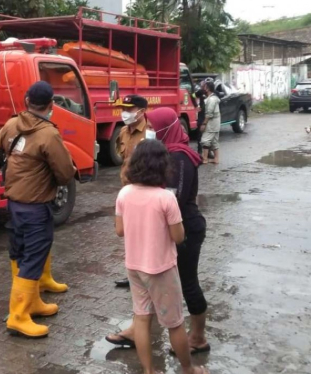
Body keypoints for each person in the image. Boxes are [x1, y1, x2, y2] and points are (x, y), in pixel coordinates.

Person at [106, 108, 210, 355]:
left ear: (168, 126)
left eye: (153, 125)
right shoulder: (163, 155)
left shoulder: (181, 157)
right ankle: (137, 329)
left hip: (184, 231)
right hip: (160, 231)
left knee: (187, 283)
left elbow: (175, 197)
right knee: (149, 281)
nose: (150, 130)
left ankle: (197, 336)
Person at [0, 81, 75, 338]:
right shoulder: (48, 134)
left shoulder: (12, 123)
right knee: (34, 255)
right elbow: (63, 174)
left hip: (14, 202)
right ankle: (18, 316)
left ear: (27, 100)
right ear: (51, 105)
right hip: (36, 206)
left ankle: (33, 302)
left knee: (19, 251)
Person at [113, 94, 152, 288]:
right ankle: (133, 274)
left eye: (129, 109)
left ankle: (149, 273)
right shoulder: (123, 132)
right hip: (127, 192)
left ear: (142, 111)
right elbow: (123, 157)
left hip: (146, 193)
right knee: (130, 234)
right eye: (123, 109)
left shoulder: (151, 132)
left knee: (148, 234)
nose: (125, 113)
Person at [200, 81, 221, 164]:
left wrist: (204, 124)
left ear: (208, 89)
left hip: (211, 124)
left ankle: (204, 159)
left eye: (204, 87)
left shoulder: (211, 100)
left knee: (205, 140)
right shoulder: (213, 98)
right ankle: (216, 159)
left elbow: (209, 114)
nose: (203, 88)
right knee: (214, 141)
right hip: (215, 123)